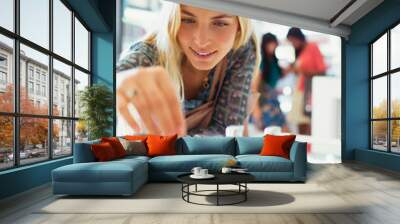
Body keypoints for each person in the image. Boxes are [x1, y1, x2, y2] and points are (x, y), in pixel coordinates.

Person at [116, 3, 260, 136]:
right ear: (172, 20)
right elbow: (122, 74)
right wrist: (117, 82)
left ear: (239, 28)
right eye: (188, 20)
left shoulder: (241, 50)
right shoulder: (151, 52)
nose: (201, 41)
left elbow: (227, 127)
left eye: (220, 23)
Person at [286, 27, 326, 135]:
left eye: (293, 40)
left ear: (299, 37)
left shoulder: (312, 46)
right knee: (300, 122)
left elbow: (322, 71)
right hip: (300, 89)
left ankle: (307, 148)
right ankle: (303, 147)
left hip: (309, 91)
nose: (292, 44)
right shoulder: (300, 52)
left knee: (307, 121)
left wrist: (303, 70)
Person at [251, 33, 287, 131]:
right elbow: (254, 86)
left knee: (281, 130)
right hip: (264, 101)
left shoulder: (273, 59)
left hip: (273, 99)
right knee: (271, 132)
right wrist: (256, 109)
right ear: (265, 44)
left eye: (274, 44)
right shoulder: (261, 60)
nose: (273, 46)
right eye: (271, 43)